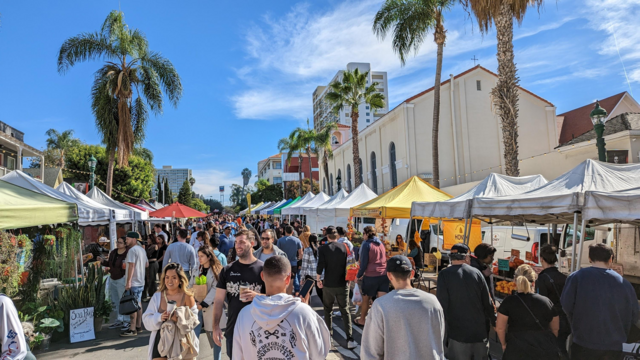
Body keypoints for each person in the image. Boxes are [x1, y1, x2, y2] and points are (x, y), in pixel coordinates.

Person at [233, 256, 331, 360]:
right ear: (288, 278)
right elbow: (319, 354)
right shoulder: (304, 313)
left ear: (262, 276)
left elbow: (237, 356)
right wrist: (304, 311)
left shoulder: (244, 314)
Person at [561, 243, 639, 360]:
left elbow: (566, 306)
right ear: (610, 259)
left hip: (583, 342)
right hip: (614, 346)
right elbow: (635, 315)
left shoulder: (576, 277)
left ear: (590, 258)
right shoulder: (625, 283)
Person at [361, 255, 445, 359]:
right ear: (412, 274)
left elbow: (370, 351)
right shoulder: (432, 301)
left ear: (389, 275)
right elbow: (439, 336)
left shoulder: (381, 305)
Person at [211, 230, 266, 359]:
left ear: (252, 243)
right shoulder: (227, 270)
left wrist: (256, 295)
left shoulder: (263, 269)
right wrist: (216, 327)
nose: (237, 246)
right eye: (236, 242)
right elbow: (219, 300)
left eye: (241, 242)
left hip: (258, 330)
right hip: (233, 330)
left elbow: (274, 298)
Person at [436, 243, 494, 360]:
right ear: (467, 257)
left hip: (457, 334)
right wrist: (494, 321)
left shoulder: (444, 275)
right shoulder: (477, 273)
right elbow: (488, 303)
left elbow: (442, 305)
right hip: (479, 333)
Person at [496, 264, 560, 360]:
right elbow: (555, 328)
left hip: (516, 349)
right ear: (534, 282)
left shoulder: (509, 302)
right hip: (542, 350)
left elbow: (500, 328)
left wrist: (504, 344)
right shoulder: (546, 301)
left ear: (515, 281)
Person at [142, 263, 199, 360]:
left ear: (180, 279)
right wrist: (160, 317)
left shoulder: (187, 296)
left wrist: (179, 318)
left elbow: (195, 319)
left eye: (174, 277)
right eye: (167, 277)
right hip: (161, 339)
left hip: (182, 341)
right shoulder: (157, 296)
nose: (170, 281)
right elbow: (146, 318)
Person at [317, 227, 357, 349]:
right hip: (343, 283)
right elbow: (350, 263)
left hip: (328, 284)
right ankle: (350, 339)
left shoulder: (323, 249)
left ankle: (329, 339)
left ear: (327, 236)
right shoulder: (344, 247)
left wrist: (318, 279)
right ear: (336, 236)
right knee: (345, 310)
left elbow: (320, 265)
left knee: (327, 310)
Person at [535, 244, 570, 355]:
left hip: (551, 320)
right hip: (566, 319)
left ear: (542, 259)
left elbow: (541, 303)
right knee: (561, 348)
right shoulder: (564, 277)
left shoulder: (542, 278)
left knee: (553, 351)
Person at [189, 247, 224, 360]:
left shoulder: (216, 271)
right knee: (193, 335)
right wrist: (190, 299)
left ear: (209, 257)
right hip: (196, 306)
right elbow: (190, 285)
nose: (199, 258)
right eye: (198, 256)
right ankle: (192, 357)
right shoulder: (196, 269)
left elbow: (216, 289)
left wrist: (203, 303)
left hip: (211, 307)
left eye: (201, 256)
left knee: (215, 337)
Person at [354, 226, 389, 327]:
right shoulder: (381, 244)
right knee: (383, 300)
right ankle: (383, 322)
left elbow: (364, 263)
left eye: (363, 234)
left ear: (366, 234)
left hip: (371, 275)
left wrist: (358, 275)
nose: (363, 236)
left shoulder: (367, 245)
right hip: (383, 275)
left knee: (366, 299)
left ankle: (362, 320)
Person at [100, 236, 130, 330]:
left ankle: (126, 320)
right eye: (118, 242)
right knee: (116, 300)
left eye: (120, 242)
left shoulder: (127, 252)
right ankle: (119, 319)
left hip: (122, 278)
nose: (118, 244)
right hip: (113, 277)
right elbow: (109, 263)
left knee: (123, 300)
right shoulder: (113, 252)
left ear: (125, 244)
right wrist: (102, 262)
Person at [122, 231, 149, 337]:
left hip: (134, 282)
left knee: (132, 305)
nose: (126, 241)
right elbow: (146, 264)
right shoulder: (142, 250)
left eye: (127, 239)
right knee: (138, 304)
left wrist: (128, 281)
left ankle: (132, 328)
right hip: (140, 281)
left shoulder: (132, 250)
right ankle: (138, 326)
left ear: (134, 239)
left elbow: (132, 266)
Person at [276, 225, 303, 295]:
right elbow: (301, 253)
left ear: (285, 231)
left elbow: (277, 252)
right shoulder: (297, 240)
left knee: (283, 281)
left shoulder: (280, 240)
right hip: (293, 264)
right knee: (291, 282)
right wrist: (300, 262)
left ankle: (283, 296)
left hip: (282, 263)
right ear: (292, 232)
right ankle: (289, 296)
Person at [300, 233, 322, 300]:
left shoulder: (307, 250)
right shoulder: (321, 249)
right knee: (321, 293)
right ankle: (328, 308)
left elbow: (304, 265)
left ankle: (306, 308)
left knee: (306, 294)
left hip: (310, 275)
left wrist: (302, 278)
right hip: (320, 275)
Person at [143, 233, 160, 302]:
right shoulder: (149, 246)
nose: (147, 240)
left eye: (149, 238)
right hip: (148, 263)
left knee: (151, 279)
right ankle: (148, 294)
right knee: (148, 279)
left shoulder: (154, 246)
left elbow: (147, 254)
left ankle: (152, 295)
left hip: (152, 263)